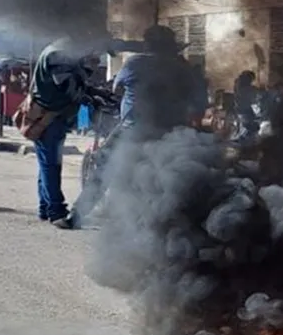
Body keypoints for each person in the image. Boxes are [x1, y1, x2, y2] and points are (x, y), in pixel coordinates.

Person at [67, 26, 198, 228]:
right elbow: (197, 101)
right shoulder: (184, 69)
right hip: (173, 132)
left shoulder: (136, 63)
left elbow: (116, 86)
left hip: (134, 129)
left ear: (148, 44)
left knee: (103, 164)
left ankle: (76, 215)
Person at [27, 37, 93, 227]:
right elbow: (66, 85)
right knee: (51, 165)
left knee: (46, 163)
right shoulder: (58, 54)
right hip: (49, 118)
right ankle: (57, 211)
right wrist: (87, 70)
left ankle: (45, 208)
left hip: (51, 116)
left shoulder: (58, 51)